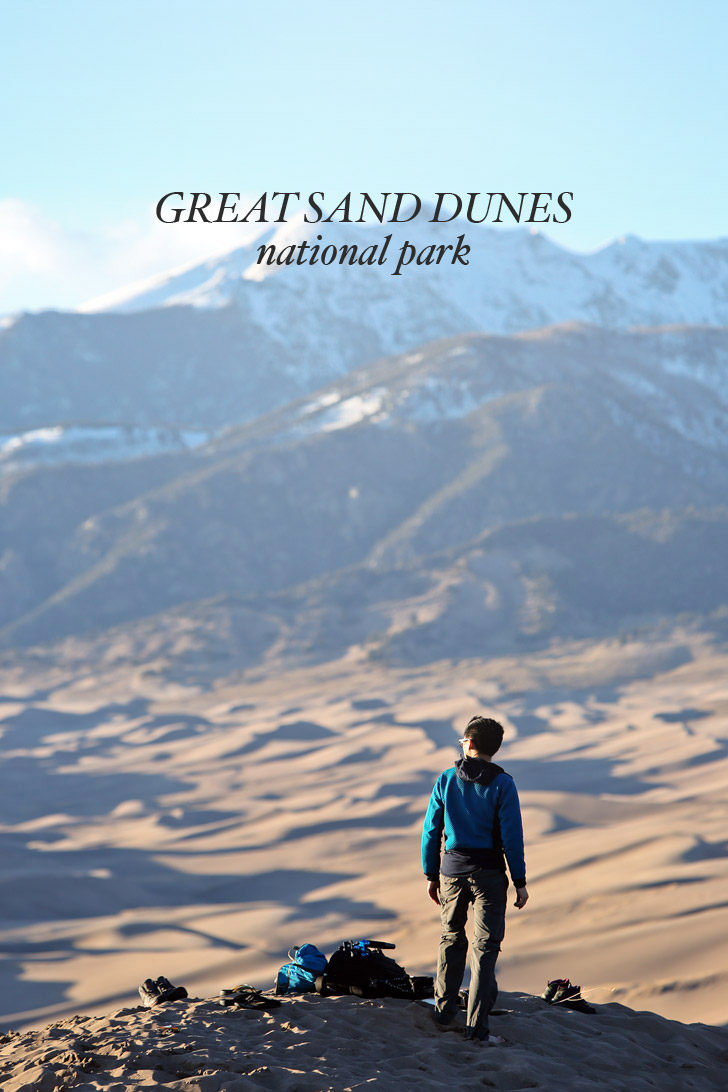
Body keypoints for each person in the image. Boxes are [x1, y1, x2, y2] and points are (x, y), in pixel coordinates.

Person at [421, 715, 528, 1043]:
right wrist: (520, 880)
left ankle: (443, 1012)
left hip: (451, 872)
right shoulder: (503, 784)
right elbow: (512, 837)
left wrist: (431, 874)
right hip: (490, 876)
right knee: (485, 948)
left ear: (468, 744)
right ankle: (476, 1029)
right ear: (494, 749)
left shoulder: (446, 779)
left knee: (451, 937)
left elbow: (431, 831)